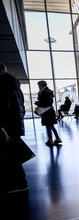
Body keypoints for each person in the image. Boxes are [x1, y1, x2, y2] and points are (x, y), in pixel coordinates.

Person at [0, 62, 28, 193]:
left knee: (9, 155)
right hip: (14, 126)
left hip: (6, 127)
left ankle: (18, 184)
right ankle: (19, 183)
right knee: (12, 154)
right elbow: (21, 108)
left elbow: (5, 108)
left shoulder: (3, 86)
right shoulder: (15, 86)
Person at [35, 81, 62, 147]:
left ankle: (50, 140)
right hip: (49, 111)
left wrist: (39, 103)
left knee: (48, 126)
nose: (38, 87)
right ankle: (57, 138)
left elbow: (47, 102)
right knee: (51, 126)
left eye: (39, 85)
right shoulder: (47, 92)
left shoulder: (46, 92)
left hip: (47, 112)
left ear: (41, 85)